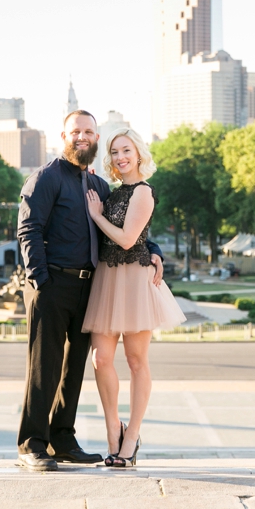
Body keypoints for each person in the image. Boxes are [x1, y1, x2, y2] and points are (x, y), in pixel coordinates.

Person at [15, 111, 165, 472]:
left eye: (88, 132)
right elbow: (28, 229)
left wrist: (156, 251)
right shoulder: (45, 178)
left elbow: (127, 229)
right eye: (75, 132)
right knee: (44, 366)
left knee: (75, 368)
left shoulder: (98, 186)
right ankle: (32, 444)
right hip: (51, 284)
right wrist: (40, 280)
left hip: (90, 287)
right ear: (63, 135)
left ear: (96, 137)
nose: (82, 137)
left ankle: (63, 439)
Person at [83, 128, 186, 467]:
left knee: (137, 361)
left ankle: (132, 436)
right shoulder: (113, 193)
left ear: (139, 153)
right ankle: (114, 428)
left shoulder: (143, 192)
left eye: (126, 150)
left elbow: (129, 240)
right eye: (114, 152)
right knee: (101, 360)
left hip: (136, 281)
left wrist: (97, 216)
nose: (120, 157)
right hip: (108, 279)